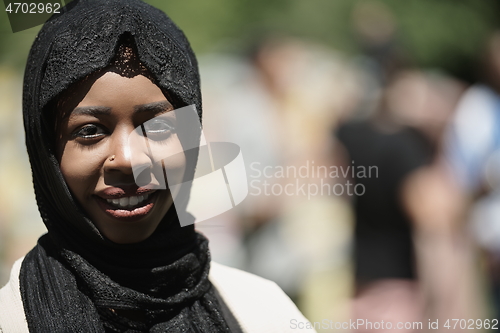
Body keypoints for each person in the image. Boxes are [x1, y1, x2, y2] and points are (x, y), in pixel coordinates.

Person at [0, 0, 315, 332]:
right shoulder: (12, 319)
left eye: (159, 128)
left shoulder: (262, 312)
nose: (128, 159)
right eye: (90, 130)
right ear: (46, 150)